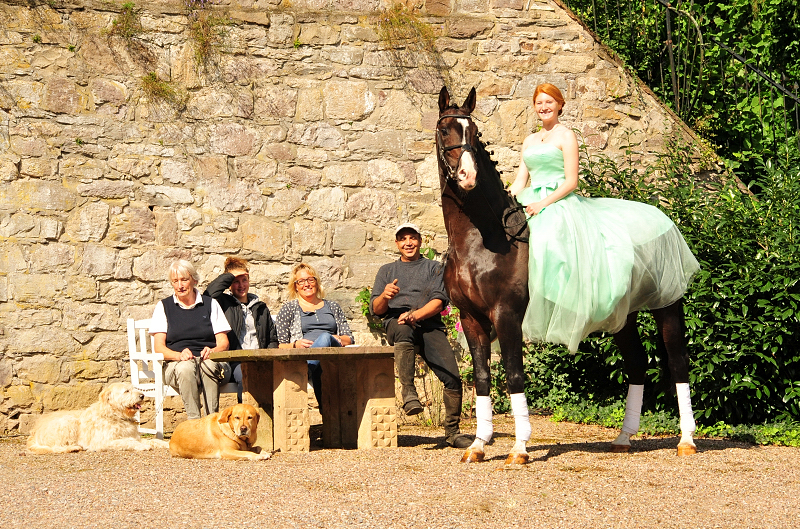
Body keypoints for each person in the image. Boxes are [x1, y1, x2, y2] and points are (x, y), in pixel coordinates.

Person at [508, 83, 700, 445]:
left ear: (559, 106)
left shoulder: (567, 136)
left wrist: (542, 204)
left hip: (560, 204)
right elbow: (520, 182)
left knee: (551, 239)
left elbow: (571, 181)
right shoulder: (530, 142)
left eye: (549, 102)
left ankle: (687, 423)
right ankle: (629, 427)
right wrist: (504, 201)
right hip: (532, 202)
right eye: (539, 103)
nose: (543, 107)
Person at [370, 222, 473, 449]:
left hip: (428, 325)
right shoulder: (387, 271)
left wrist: (415, 315)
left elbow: (438, 303)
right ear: (397, 243)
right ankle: (408, 393)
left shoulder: (435, 268)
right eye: (403, 239)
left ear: (420, 241)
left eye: (412, 238)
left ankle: (453, 433)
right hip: (397, 323)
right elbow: (377, 309)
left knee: (453, 377)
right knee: (403, 329)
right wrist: (385, 296)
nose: (408, 243)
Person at [149, 260, 232, 421]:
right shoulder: (164, 306)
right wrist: (178, 355)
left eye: (184, 280)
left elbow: (223, 342)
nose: (180, 285)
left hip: (210, 362)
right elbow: (159, 347)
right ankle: (194, 422)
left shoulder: (210, 304)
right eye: (175, 281)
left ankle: (211, 421)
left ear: (194, 280)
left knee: (208, 365)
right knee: (185, 368)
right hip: (177, 364)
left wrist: (213, 351)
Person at [274, 263, 354, 410]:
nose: (307, 284)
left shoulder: (333, 307)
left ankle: (305, 371)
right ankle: (328, 415)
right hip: (306, 355)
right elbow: (279, 344)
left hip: (334, 354)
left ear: (317, 283)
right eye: (301, 281)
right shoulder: (289, 309)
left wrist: (336, 339)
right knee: (321, 368)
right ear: (295, 286)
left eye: (311, 280)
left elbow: (349, 338)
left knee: (325, 338)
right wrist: (295, 345)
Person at [204, 256, 279, 403]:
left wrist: (267, 359)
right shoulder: (223, 304)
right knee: (247, 374)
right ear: (229, 285)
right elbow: (208, 294)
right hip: (235, 362)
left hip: (261, 360)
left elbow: (272, 339)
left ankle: (267, 421)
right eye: (236, 281)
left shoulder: (261, 307)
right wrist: (230, 275)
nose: (241, 285)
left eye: (244, 280)